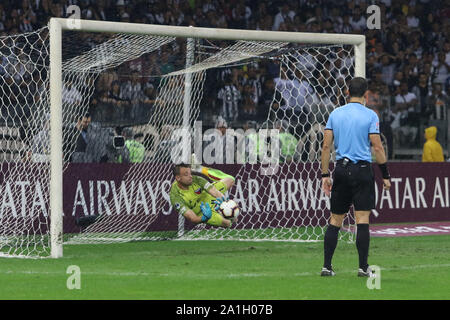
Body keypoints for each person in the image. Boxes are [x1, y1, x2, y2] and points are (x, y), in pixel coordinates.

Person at [320, 77, 391, 277]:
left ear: (347, 92)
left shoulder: (335, 113)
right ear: (366, 94)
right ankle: (362, 267)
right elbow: (377, 146)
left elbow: (326, 146)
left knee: (335, 219)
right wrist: (385, 175)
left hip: (341, 170)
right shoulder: (371, 115)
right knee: (362, 219)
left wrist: (325, 174)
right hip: (362, 170)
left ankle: (327, 266)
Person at [169, 162, 236, 228]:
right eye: (186, 174)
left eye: (190, 173)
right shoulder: (175, 196)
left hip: (208, 196)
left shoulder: (196, 179)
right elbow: (193, 218)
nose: (191, 176)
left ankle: (201, 169)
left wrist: (224, 204)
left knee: (231, 180)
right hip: (202, 211)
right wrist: (204, 217)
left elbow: (214, 192)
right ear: (178, 178)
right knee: (228, 223)